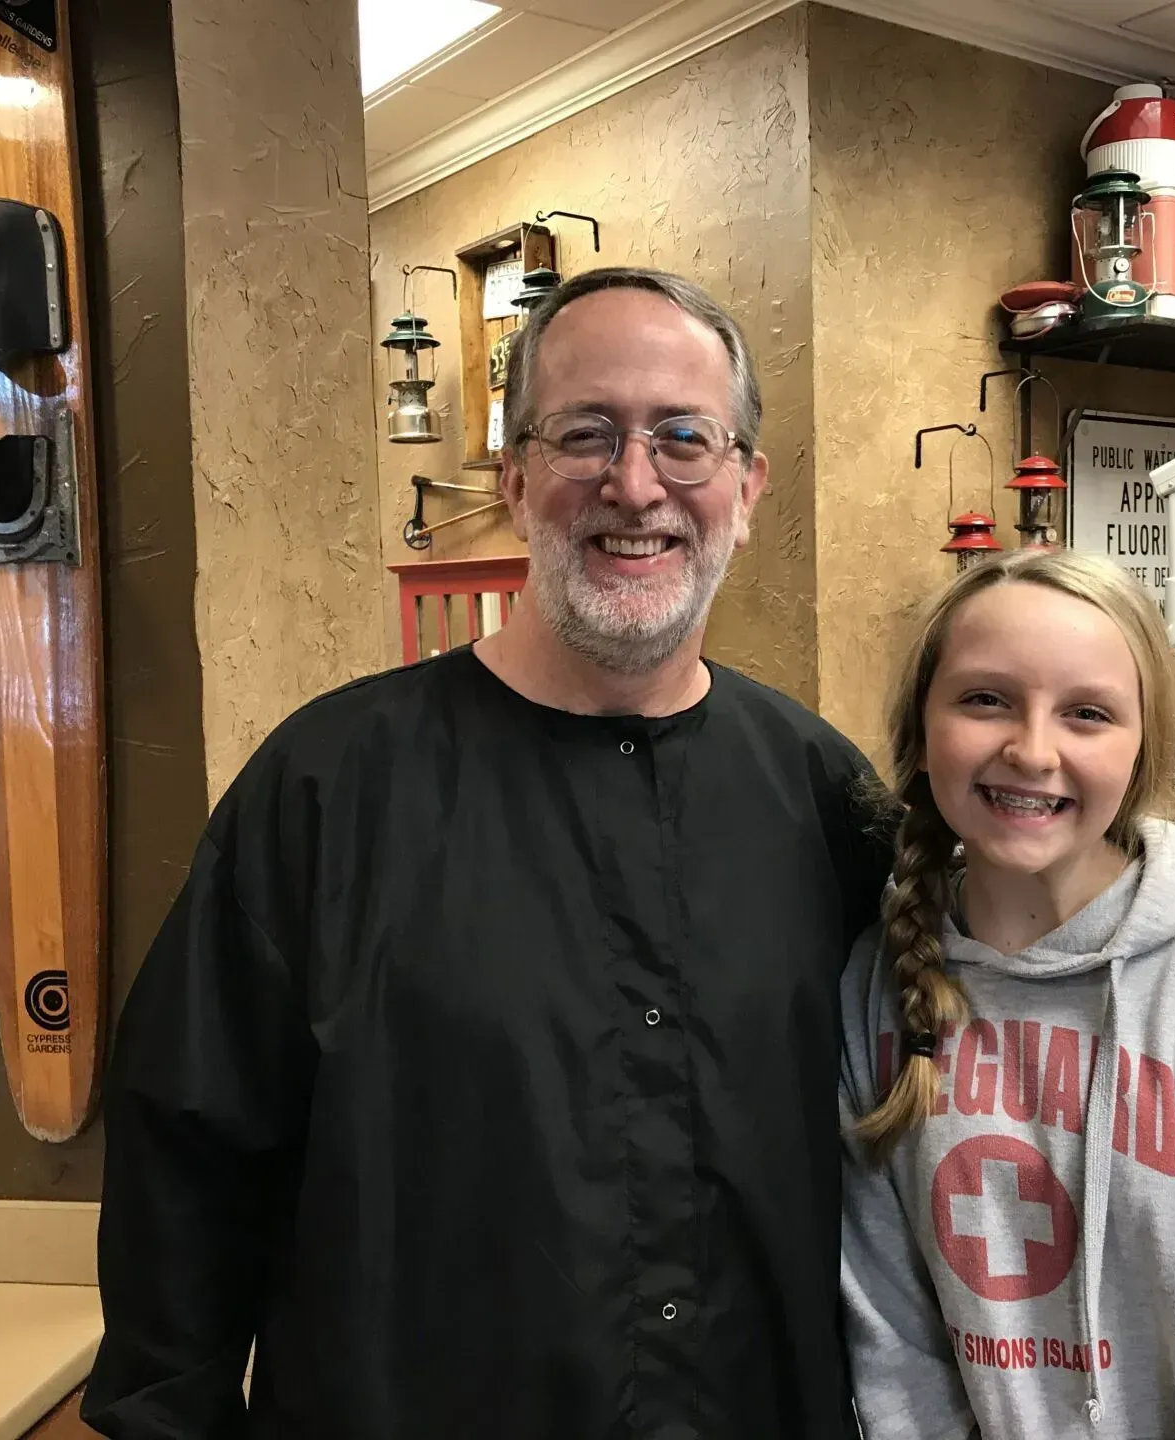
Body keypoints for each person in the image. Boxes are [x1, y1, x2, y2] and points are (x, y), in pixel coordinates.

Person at [81, 268, 895, 1438]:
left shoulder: (825, 796)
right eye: (585, 434)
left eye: (684, 438)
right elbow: (184, 1172)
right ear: (516, 481)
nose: (634, 483)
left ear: (747, 486)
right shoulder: (327, 789)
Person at [838, 548, 1175, 1439]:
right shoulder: (877, 987)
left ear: (1142, 752)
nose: (1032, 749)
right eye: (986, 699)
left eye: (1087, 714)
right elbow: (892, 1340)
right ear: (921, 726)